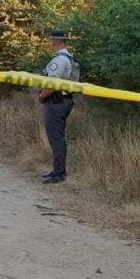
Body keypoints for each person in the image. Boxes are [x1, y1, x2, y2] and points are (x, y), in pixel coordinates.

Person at [38, 31, 78, 184]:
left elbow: (51, 84)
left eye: (51, 41)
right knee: (57, 137)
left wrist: (42, 96)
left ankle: (59, 173)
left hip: (56, 101)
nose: (50, 44)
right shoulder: (68, 58)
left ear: (57, 42)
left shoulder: (59, 60)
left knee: (56, 138)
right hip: (63, 100)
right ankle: (57, 170)